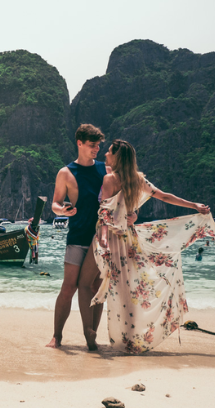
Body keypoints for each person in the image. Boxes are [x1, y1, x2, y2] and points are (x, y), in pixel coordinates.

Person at [81, 139, 215, 354]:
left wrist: (104, 239)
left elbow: (105, 213)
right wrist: (194, 205)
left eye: (109, 152)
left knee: (88, 283)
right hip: (128, 239)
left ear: (117, 157)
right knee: (127, 290)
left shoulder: (110, 179)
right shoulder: (137, 179)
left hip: (109, 236)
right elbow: (164, 196)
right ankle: (130, 340)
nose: (106, 154)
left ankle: (91, 331)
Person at [46, 124, 136, 349]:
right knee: (69, 287)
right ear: (79, 143)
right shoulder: (66, 173)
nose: (97, 149)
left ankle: (91, 337)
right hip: (77, 237)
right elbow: (55, 203)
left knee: (96, 288)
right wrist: (62, 210)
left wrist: (132, 214)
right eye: (92, 145)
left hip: (103, 239)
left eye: (98, 145)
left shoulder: (106, 170)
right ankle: (57, 336)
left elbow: (123, 197)